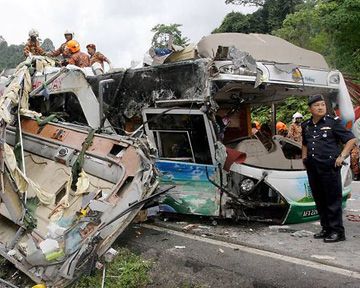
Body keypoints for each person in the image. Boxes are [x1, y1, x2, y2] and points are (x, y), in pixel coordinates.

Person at [302, 95, 356, 243]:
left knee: (333, 200)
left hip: (329, 167)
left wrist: (342, 156)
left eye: (322, 105)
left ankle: (337, 232)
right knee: (320, 199)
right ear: (310, 109)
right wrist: (304, 158)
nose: (320, 107)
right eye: (317, 105)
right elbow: (305, 143)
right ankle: (326, 228)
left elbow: (351, 139)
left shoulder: (333, 123)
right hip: (313, 167)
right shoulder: (306, 125)